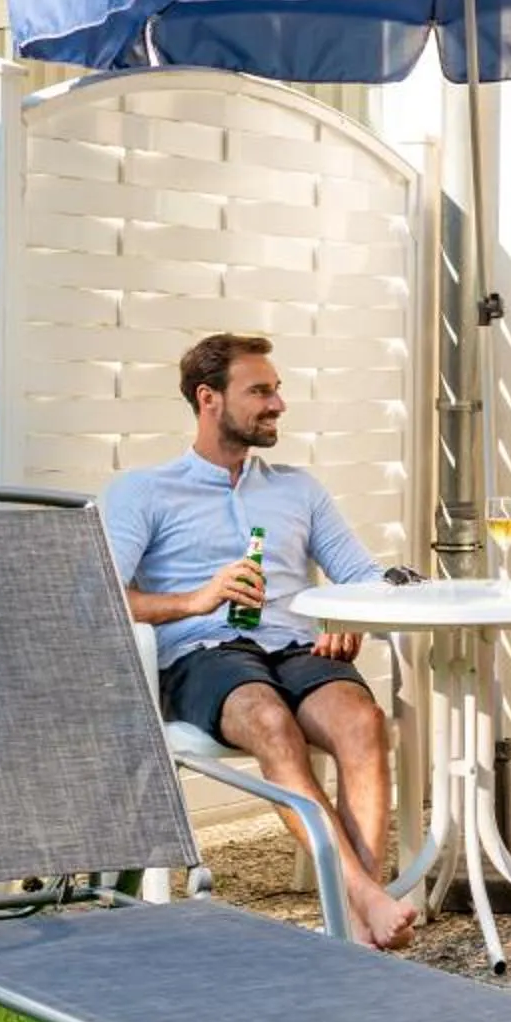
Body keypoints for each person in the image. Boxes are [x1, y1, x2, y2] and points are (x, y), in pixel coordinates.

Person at [104, 333, 418, 950]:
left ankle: (360, 914)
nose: (278, 404)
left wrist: (349, 611)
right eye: (261, 391)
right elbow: (98, 596)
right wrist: (196, 599)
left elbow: (364, 574)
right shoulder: (146, 492)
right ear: (208, 399)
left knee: (363, 722)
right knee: (269, 721)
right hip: (203, 656)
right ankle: (365, 903)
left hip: (296, 648)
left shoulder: (297, 489)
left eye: (276, 390)